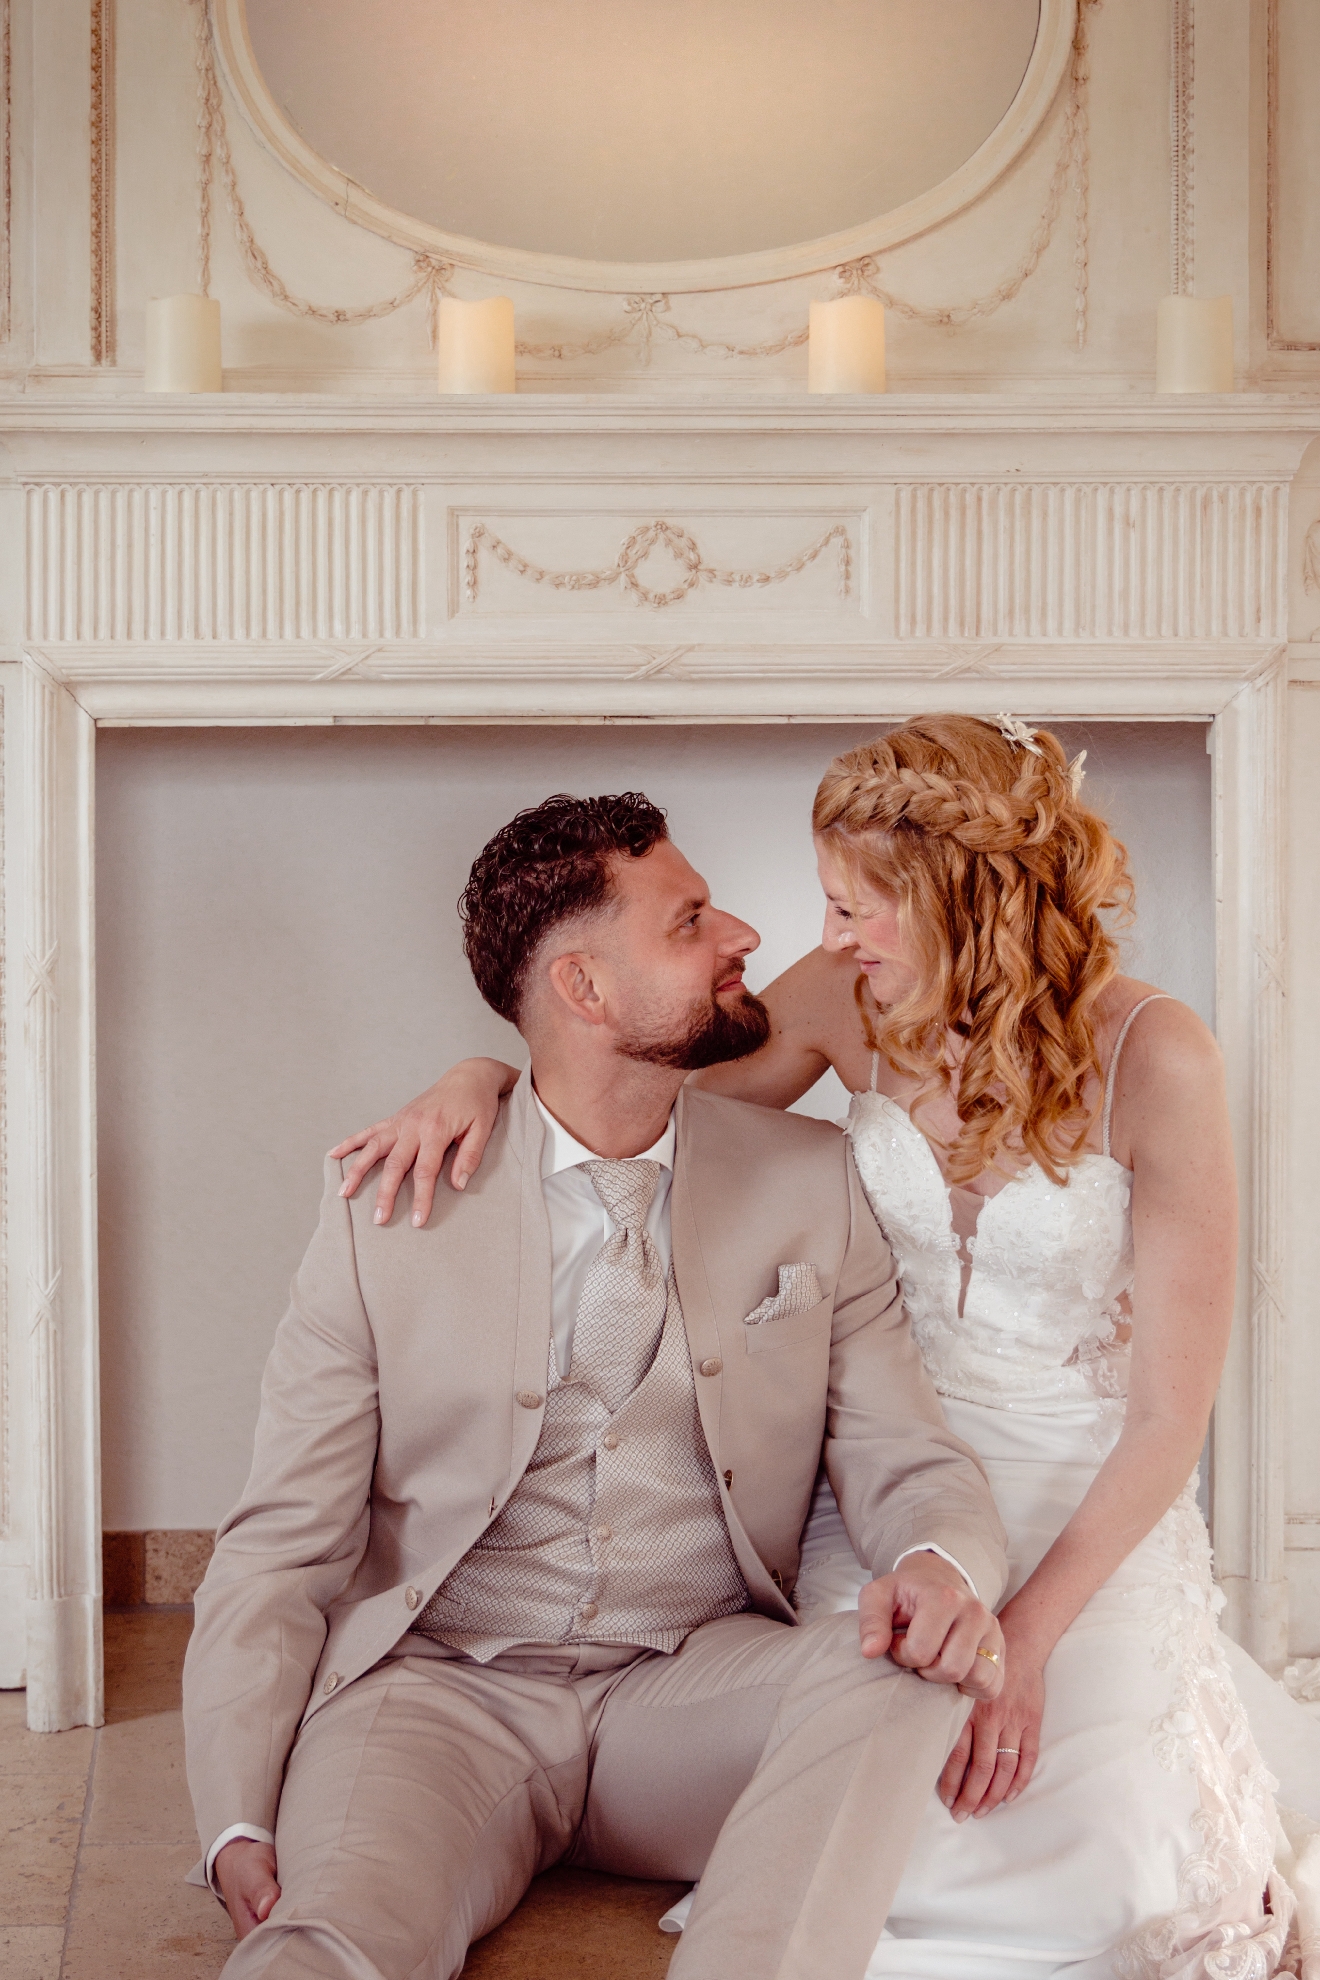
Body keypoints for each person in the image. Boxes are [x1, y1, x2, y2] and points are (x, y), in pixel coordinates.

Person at [336, 717, 1320, 1979]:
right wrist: (480, 1076)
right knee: (863, 1807)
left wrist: (1023, 1642)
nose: (833, 936)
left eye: (857, 907)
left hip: (1085, 1504)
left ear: (964, 901)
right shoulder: (845, 1002)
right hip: (883, 1477)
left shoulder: (1158, 1058)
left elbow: (1170, 1420)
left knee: (1093, 1860)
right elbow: (625, 1097)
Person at [183, 789, 1013, 1980]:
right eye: (689, 922)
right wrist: (234, 1818)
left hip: (693, 1687)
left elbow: (906, 1454)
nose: (742, 936)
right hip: (438, 1698)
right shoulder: (387, 1209)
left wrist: (937, 1564)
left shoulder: (812, 1181)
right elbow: (279, 1544)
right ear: (583, 988)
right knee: (328, 1945)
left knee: (909, 1667)